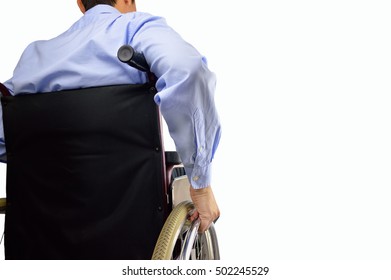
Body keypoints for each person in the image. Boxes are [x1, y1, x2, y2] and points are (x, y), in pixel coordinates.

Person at [0, 0, 221, 233]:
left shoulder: (35, 57)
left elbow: (11, 143)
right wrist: (200, 182)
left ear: (80, 4)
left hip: (40, 235)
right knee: (179, 179)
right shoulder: (136, 29)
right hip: (133, 227)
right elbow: (186, 69)